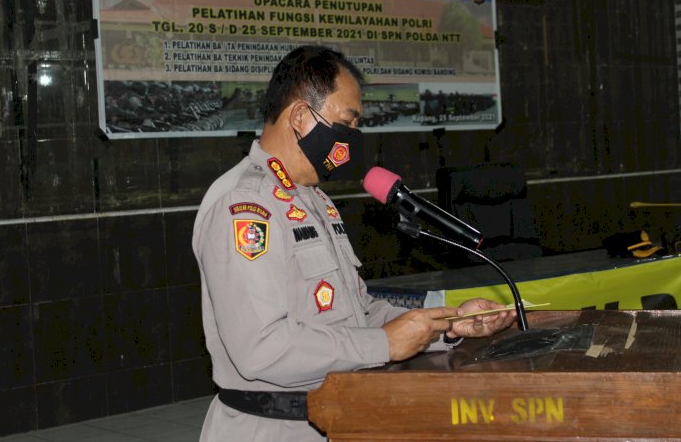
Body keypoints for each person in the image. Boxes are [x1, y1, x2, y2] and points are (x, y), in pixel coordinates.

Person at [192, 45, 516, 441]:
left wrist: (447, 325)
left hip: (340, 419)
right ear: (298, 116)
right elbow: (261, 348)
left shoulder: (314, 199)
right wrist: (382, 344)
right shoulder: (244, 205)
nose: (353, 138)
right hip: (275, 428)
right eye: (347, 122)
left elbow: (358, 312)